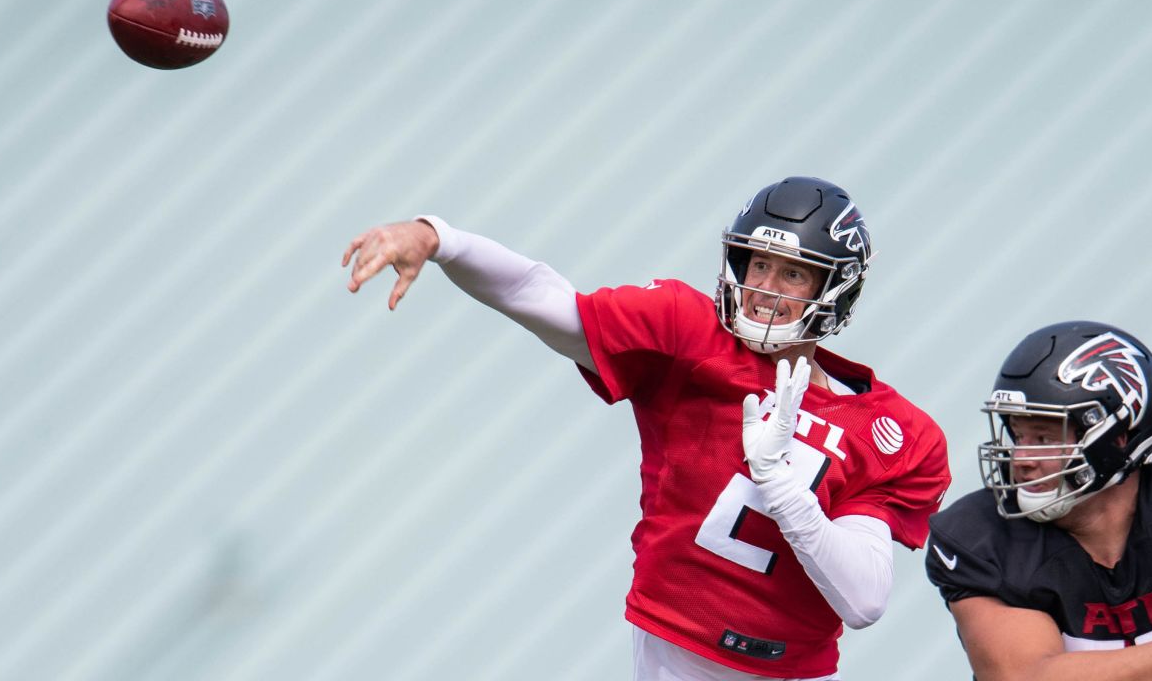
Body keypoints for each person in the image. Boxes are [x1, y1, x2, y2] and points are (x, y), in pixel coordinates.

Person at [344, 176, 950, 680]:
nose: (765, 289)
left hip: (793, 671)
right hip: (675, 653)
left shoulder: (894, 431)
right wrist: (439, 238)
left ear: (834, 287)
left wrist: (785, 489)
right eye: (758, 264)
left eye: (793, 274)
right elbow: (543, 296)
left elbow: (865, 600)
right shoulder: (687, 332)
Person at [926, 321, 1152, 681]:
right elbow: (1026, 677)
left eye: (1043, 437)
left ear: (1118, 438)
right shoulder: (981, 538)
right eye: (1018, 435)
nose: (1021, 459)